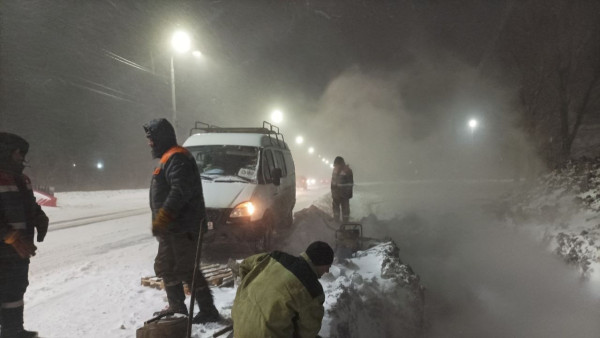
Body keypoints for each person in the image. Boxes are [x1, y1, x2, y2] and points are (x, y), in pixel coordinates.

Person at [143, 118, 220, 324]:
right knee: (170, 266)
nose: (149, 143)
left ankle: (203, 309)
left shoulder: (177, 158)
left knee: (183, 268)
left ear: (161, 138)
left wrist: (163, 218)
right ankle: (180, 307)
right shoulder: (171, 158)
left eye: (151, 139)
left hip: (182, 228)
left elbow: (180, 191)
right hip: (175, 228)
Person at [0, 132, 48, 338]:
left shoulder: (22, 179)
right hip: (4, 247)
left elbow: (29, 204)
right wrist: (9, 235)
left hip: (18, 251)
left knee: (15, 289)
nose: (21, 157)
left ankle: (13, 331)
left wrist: (39, 215)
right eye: (18, 153)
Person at [231, 241, 334, 338]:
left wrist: (247, 287)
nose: (328, 271)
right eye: (327, 266)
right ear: (321, 262)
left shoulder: (275, 257)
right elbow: (308, 332)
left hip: (239, 326)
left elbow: (245, 264)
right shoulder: (312, 290)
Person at [330, 156, 354, 223]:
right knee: (335, 208)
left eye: (336, 165)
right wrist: (333, 192)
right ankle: (336, 221)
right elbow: (332, 183)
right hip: (336, 194)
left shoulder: (347, 171)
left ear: (340, 164)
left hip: (344, 195)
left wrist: (347, 193)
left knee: (345, 209)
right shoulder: (334, 171)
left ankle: (345, 222)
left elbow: (350, 183)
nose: (336, 167)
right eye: (335, 165)